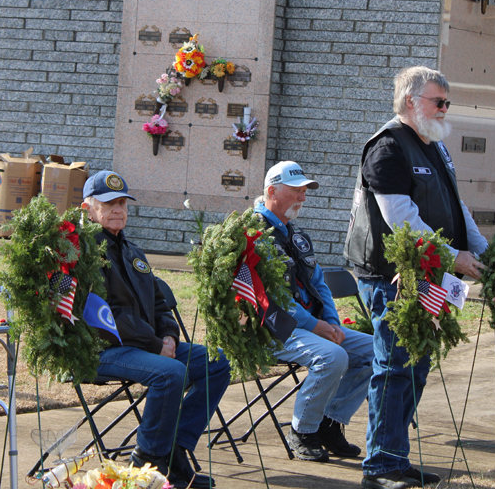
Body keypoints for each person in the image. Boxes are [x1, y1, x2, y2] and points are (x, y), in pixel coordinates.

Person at [344, 66, 488, 489]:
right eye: (438, 101)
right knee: (393, 366)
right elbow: (401, 220)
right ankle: (381, 466)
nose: (445, 109)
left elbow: (456, 208)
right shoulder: (387, 147)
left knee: (416, 367)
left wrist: (480, 250)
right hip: (392, 276)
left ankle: (395, 455)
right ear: (411, 102)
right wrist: (452, 256)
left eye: (447, 102)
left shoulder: (435, 147)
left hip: (430, 275)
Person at [81, 170, 230, 489]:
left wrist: (169, 337)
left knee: (216, 363)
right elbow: (106, 316)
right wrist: (154, 344)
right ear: (88, 209)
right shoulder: (83, 253)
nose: (118, 209)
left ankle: (175, 448)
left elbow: (160, 305)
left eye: (122, 202)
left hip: (144, 346)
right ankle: (144, 467)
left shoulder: (133, 252)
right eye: (108, 203)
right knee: (170, 372)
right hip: (102, 349)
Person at [255, 161, 374, 462]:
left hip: (311, 326)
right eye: (296, 191)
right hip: (272, 327)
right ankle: (302, 431)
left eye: (304, 192)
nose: (303, 198)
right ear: (272, 191)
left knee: (376, 351)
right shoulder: (253, 235)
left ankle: (328, 424)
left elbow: (319, 283)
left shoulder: (295, 235)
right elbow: (271, 297)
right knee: (333, 356)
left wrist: (331, 322)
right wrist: (315, 326)